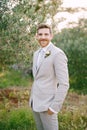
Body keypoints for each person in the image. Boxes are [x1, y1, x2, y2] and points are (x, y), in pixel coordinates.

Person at [29, 23, 69, 130]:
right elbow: (38, 79)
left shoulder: (58, 54)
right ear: (36, 36)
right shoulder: (36, 54)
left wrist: (54, 107)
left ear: (51, 36)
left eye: (46, 34)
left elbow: (64, 84)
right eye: (40, 34)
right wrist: (32, 100)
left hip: (48, 106)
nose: (43, 37)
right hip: (35, 103)